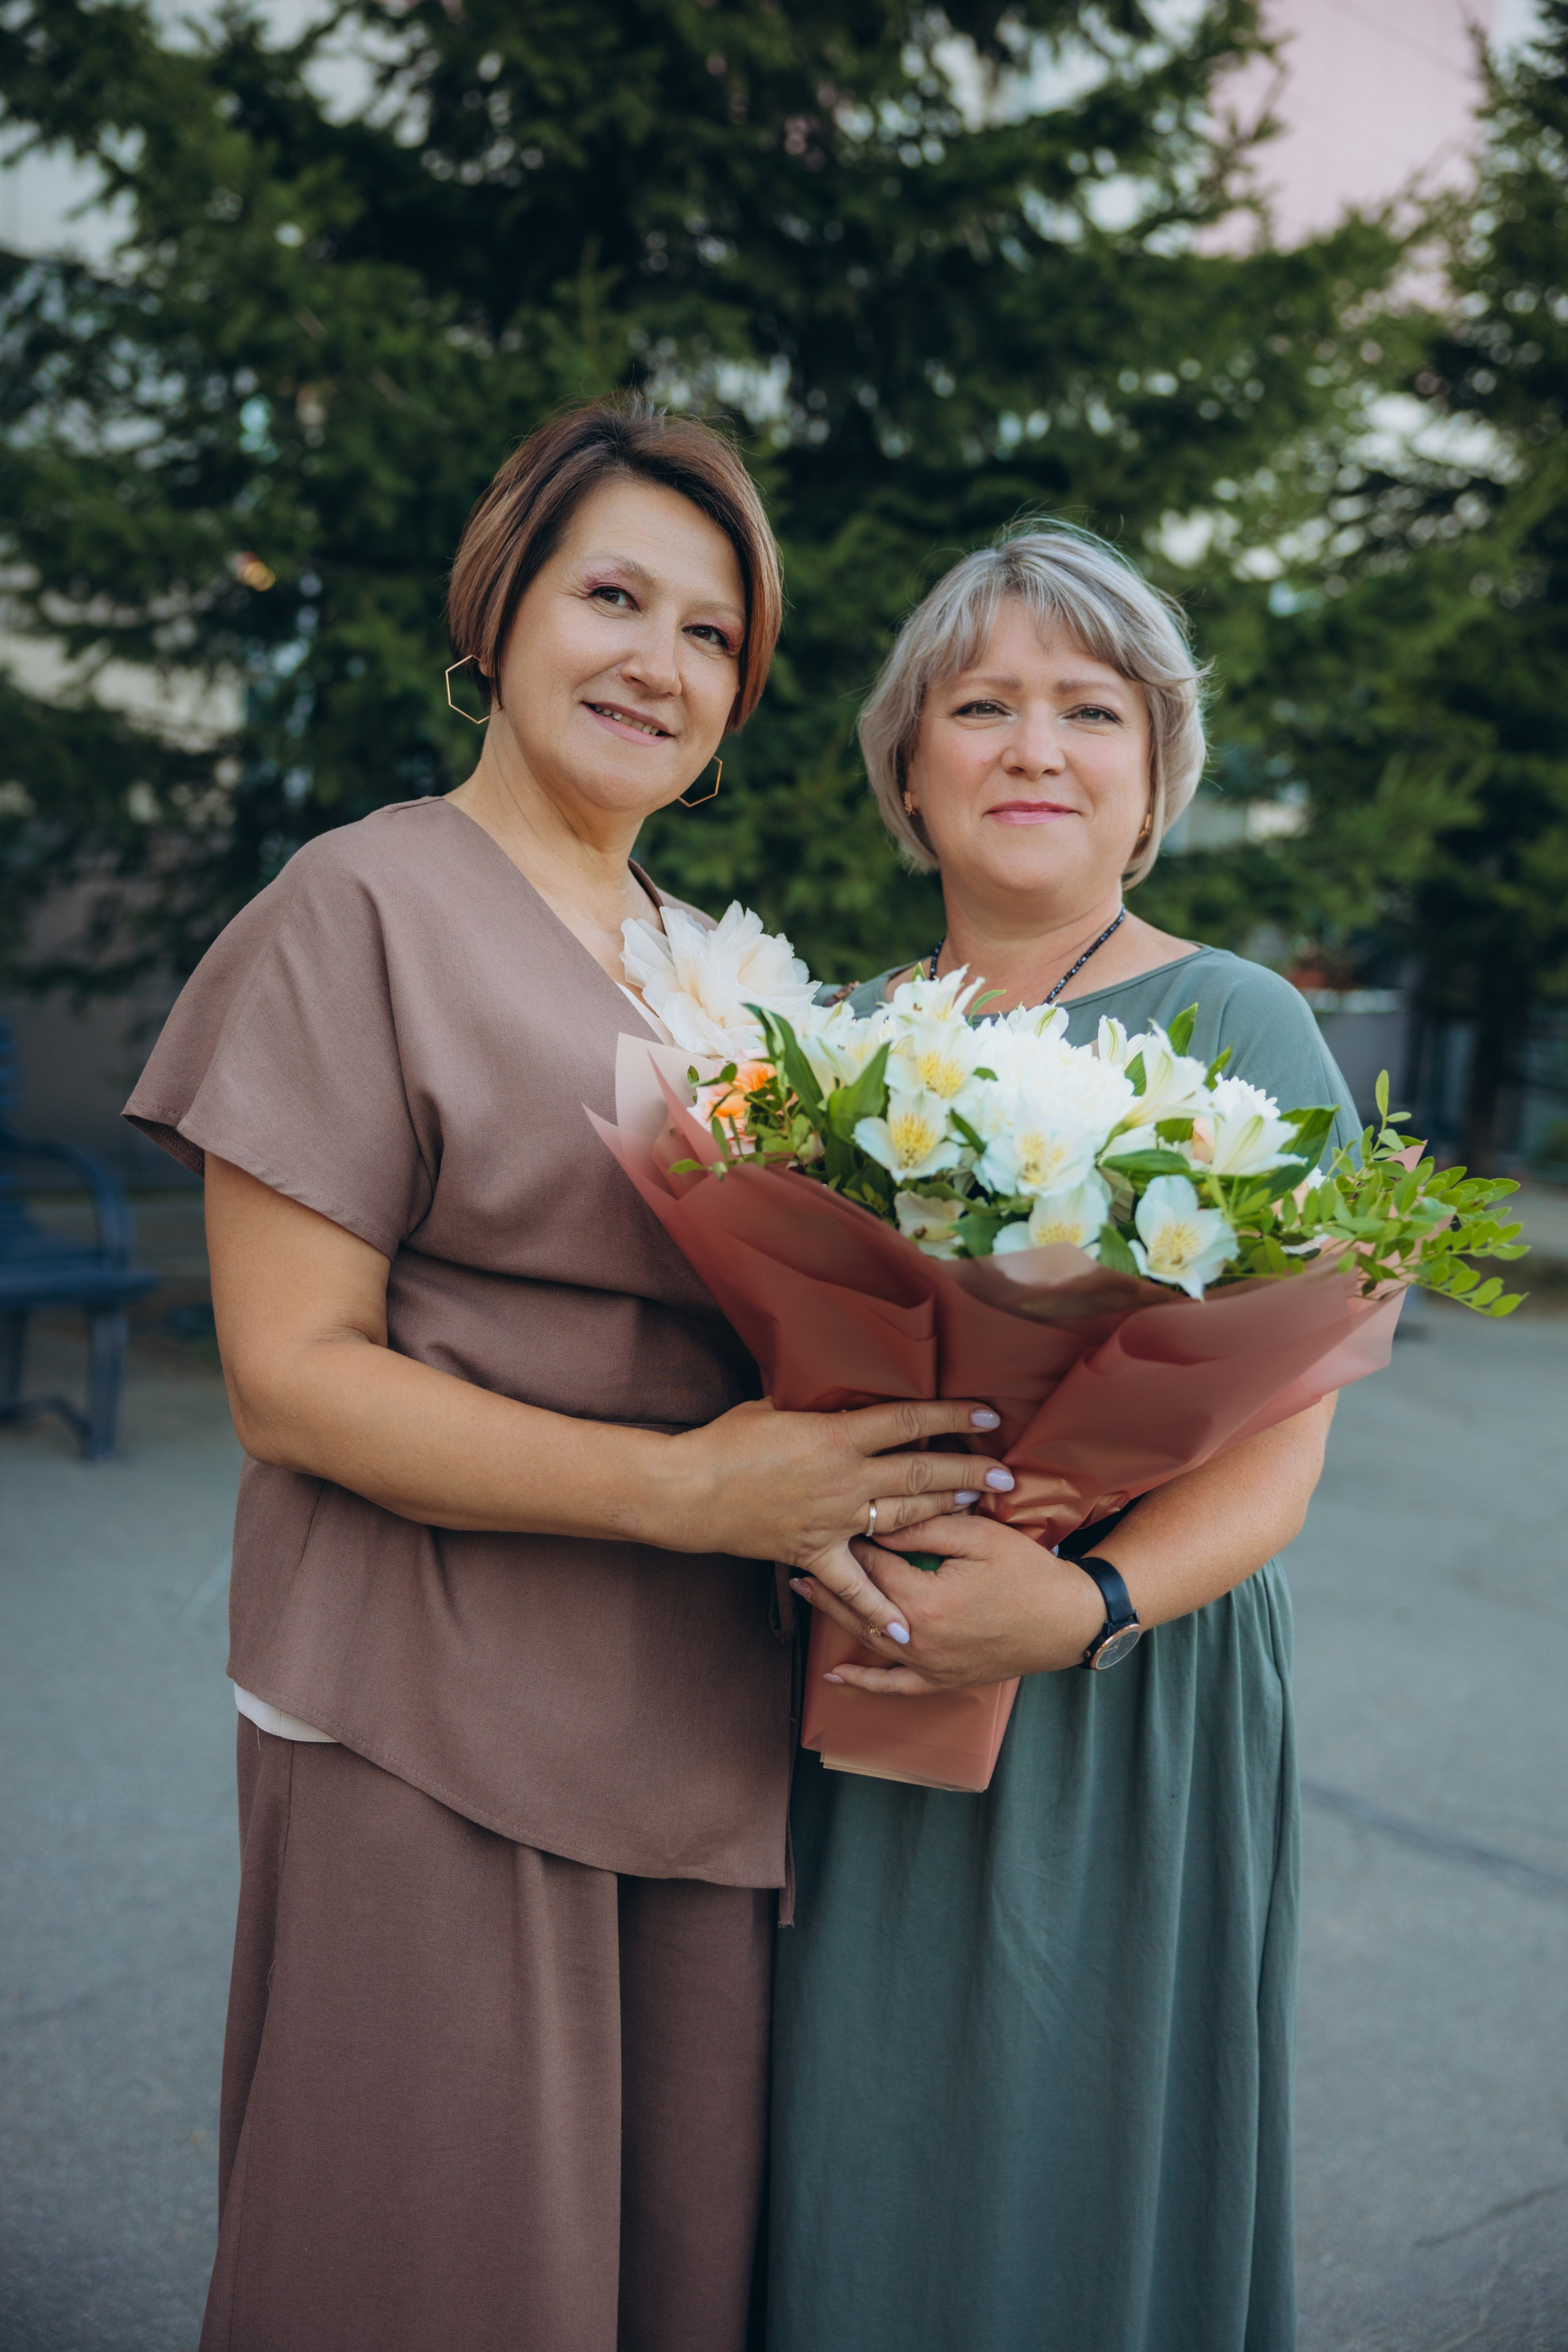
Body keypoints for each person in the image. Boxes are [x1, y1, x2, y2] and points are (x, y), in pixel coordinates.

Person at [124, 398, 998, 2352]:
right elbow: (294, 1380)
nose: (658, 662)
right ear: (500, 609)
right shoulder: (359, 905)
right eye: (613, 595)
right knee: (438, 2269)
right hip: (432, 1705)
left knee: (658, 2276)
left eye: (710, 635)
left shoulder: (726, 977)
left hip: (699, 1722)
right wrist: (693, 1491)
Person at [767, 525, 1362, 2352]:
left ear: (1154, 778)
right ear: (910, 771)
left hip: (1130, 1686)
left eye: (1089, 710)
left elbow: (1282, 1441)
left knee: (1083, 2125)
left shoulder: (1242, 1022)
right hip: (869, 1663)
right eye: (984, 706)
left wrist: (1086, 1602)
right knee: (852, 2125)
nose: (1035, 747)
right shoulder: (821, 1048)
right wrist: (799, 1523)